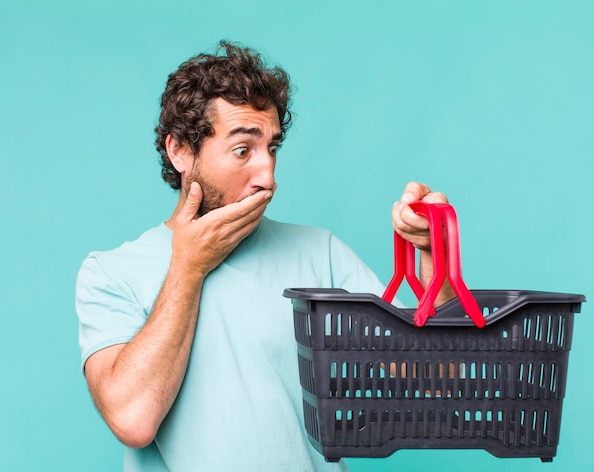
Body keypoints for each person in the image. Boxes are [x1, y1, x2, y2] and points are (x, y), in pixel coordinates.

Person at [76, 40, 453, 472]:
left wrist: (433, 259)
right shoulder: (110, 272)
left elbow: (435, 382)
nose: (268, 177)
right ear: (180, 150)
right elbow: (132, 420)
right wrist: (189, 265)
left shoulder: (320, 253)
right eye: (242, 150)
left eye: (271, 148)